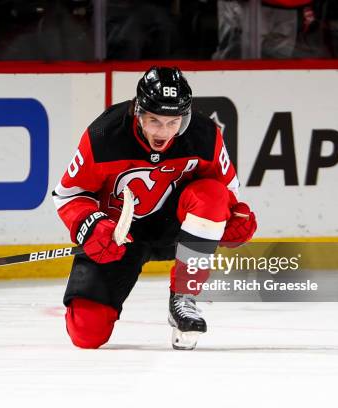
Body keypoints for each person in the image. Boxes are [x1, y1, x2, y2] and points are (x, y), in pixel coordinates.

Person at [52, 66, 257, 350]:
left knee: (211, 194)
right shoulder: (104, 135)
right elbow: (68, 195)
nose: (164, 132)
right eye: (154, 121)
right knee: (86, 333)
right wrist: (93, 226)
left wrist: (234, 217)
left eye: (174, 122)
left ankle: (184, 297)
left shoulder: (205, 135)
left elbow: (225, 192)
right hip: (120, 237)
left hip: (177, 229)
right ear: (138, 112)